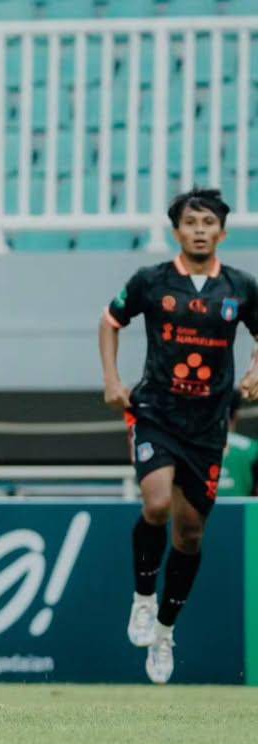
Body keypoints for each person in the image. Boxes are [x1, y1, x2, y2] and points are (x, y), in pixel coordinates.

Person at [99, 187, 258, 684]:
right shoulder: (152, 281)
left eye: (208, 223)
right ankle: (143, 598)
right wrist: (112, 380)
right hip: (155, 412)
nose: (200, 231)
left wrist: (256, 370)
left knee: (190, 534)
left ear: (222, 233)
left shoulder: (239, 287)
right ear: (177, 231)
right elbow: (110, 321)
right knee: (157, 504)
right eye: (191, 223)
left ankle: (165, 630)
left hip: (208, 426)